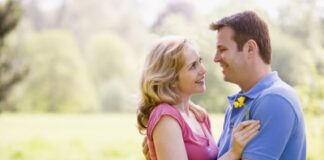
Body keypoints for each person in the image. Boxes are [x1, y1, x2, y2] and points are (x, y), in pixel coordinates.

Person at [137, 36, 260, 160]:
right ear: (170, 78)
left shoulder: (199, 115)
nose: (203, 70)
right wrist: (233, 153)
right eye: (192, 66)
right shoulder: (165, 117)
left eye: (200, 61)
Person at [210, 11, 306, 159]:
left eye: (222, 49)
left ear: (250, 49)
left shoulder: (275, 100)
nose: (216, 58)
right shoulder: (238, 104)